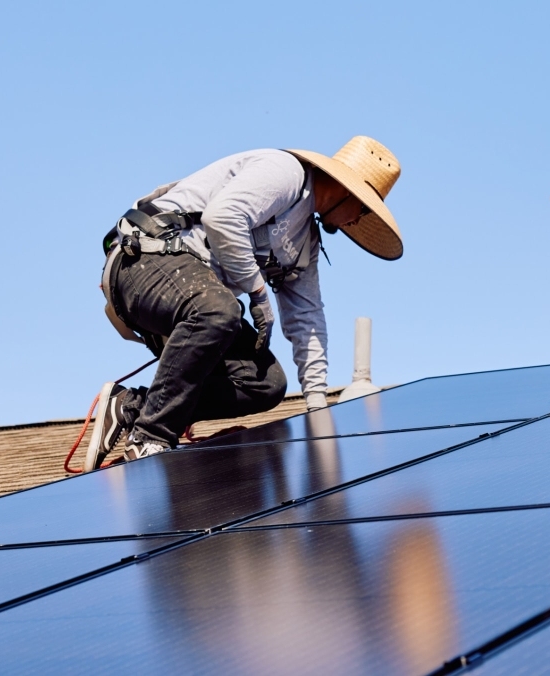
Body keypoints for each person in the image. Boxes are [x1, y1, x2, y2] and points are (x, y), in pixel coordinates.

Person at [86, 137, 404, 467]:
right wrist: (258, 293)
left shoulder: (303, 242)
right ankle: (151, 437)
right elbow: (222, 217)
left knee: (265, 384)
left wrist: (317, 407)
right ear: (347, 190)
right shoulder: (286, 173)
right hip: (143, 264)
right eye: (365, 209)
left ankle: (130, 407)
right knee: (218, 311)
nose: (358, 221)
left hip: (197, 304)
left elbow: (307, 318)